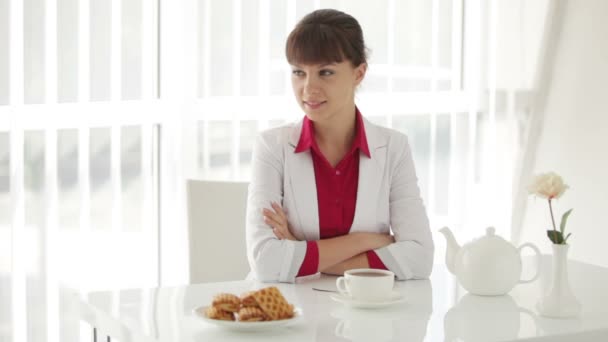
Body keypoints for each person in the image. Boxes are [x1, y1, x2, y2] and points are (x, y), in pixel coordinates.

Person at [246, 9, 434, 283]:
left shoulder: (394, 148)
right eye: (299, 72)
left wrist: (299, 247)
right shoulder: (272, 147)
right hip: (289, 311)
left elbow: (419, 259)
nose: (308, 88)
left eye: (325, 72)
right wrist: (367, 241)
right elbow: (267, 261)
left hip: (368, 310)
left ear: (359, 73)